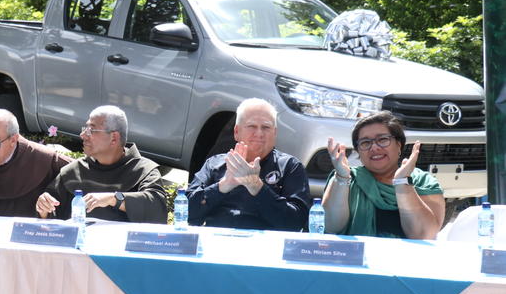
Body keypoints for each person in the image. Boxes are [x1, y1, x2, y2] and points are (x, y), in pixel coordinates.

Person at [185, 98, 311, 231]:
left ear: (275, 133)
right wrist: (223, 186)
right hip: (218, 240)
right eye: (252, 126)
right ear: (236, 132)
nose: (259, 133)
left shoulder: (290, 167)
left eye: (266, 127)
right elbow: (186, 213)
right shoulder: (215, 164)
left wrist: (257, 187)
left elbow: (296, 223)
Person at [322, 111, 444, 239]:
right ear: (358, 152)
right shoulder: (346, 179)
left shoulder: (423, 182)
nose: (374, 147)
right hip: (357, 252)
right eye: (365, 143)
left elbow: (424, 235)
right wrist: (342, 177)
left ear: (399, 145)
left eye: (383, 139)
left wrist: (402, 182)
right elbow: (331, 227)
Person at [36, 105, 168, 223]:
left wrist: (114, 199)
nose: (83, 135)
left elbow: (156, 208)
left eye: (91, 130)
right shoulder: (73, 171)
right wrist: (44, 209)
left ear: (114, 138)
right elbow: (51, 219)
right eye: (85, 129)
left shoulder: (144, 170)